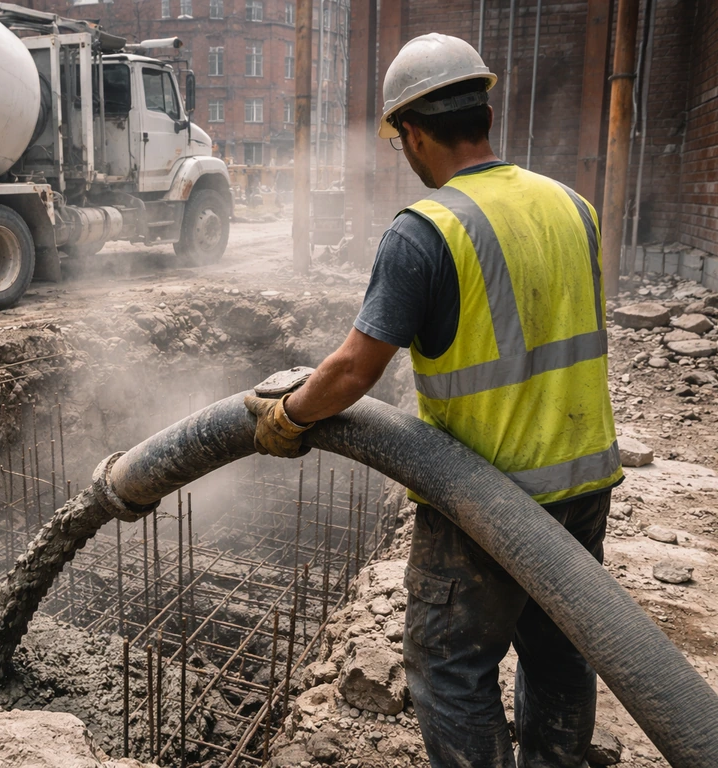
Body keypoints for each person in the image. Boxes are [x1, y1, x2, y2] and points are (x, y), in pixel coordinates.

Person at [244, 33, 623, 768]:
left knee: (449, 668)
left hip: (486, 500)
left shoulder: (426, 232)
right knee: (561, 652)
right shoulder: (574, 206)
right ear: (482, 113)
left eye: (399, 142)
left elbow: (355, 370)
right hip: (583, 483)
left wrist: (288, 418)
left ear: (413, 133)